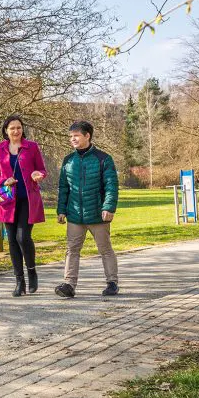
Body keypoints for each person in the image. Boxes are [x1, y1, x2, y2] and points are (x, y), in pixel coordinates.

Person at [54, 120, 119, 298]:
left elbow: (111, 186)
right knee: (72, 250)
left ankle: (112, 283)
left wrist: (108, 207)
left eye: (76, 135)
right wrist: (61, 210)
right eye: (71, 136)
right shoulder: (68, 160)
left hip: (98, 214)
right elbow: (64, 188)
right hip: (75, 215)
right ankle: (68, 285)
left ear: (87, 136)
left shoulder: (103, 158)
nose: (72, 139)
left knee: (105, 249)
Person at [0, 115, 47, 296]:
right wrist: (3, 181)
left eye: (19, 127)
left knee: (23, 237)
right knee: (12, 240)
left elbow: (42, 170)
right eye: (12, 128)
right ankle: (19, 282)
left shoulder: (32, 147)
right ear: (6, 130)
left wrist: (38, 175)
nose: (16, 131)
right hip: (8, 201)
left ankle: (32, 272)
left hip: (28, 199)